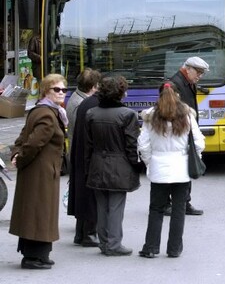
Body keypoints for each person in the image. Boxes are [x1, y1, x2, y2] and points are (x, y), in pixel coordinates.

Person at [138, 82, 206, 258]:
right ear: (177, 95)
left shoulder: (150, 117)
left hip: (159, 168)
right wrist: (194, 158)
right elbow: (199, 142)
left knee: (156, 209)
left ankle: (151, 247)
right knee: (178, 210)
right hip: (181, 169)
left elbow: (143, 145)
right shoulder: (187, 116)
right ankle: (174, 249)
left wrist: (149, 162)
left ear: (158, 96)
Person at [9, 74, 68, 269]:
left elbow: (23, 137)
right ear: (46, 91)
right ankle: (33, 257)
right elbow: (33, 142)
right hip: (40, 172)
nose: (61, 93)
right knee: (39, 214)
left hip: (39, 170)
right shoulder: (47, 114)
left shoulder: (45, 110)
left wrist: (17, 154)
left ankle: (40, 254)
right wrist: (20, 157)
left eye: (63, 90)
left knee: (38, 212)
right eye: (56, 89)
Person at [84, 76, 141, 256]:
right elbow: (132, 145)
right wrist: (136, 164)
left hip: (97, 163)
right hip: (119, 164)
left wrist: (87, 166)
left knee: (102, 206)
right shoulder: (128, 115)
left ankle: (104, 242)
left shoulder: (91, 113)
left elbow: (88, 144)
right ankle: (114, 244)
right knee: (116, 206)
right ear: (120, 93)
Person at [168, 56, 209, 216]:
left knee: (188, 166)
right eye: (198, 73)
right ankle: (177, 202)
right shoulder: (175, 84)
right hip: (180, 132)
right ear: (188, 69)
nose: (199, 77)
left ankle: (185, 201)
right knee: (180, 168)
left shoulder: (187, 82)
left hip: (187, 130)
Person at [66, 68, 102, 247]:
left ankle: (81, 233)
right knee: (87, 194)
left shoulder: (77, 98)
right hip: (79, 151)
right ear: (94, 86)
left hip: (77, 150)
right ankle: (87, 233)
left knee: (82, 193)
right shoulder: (82, 103)